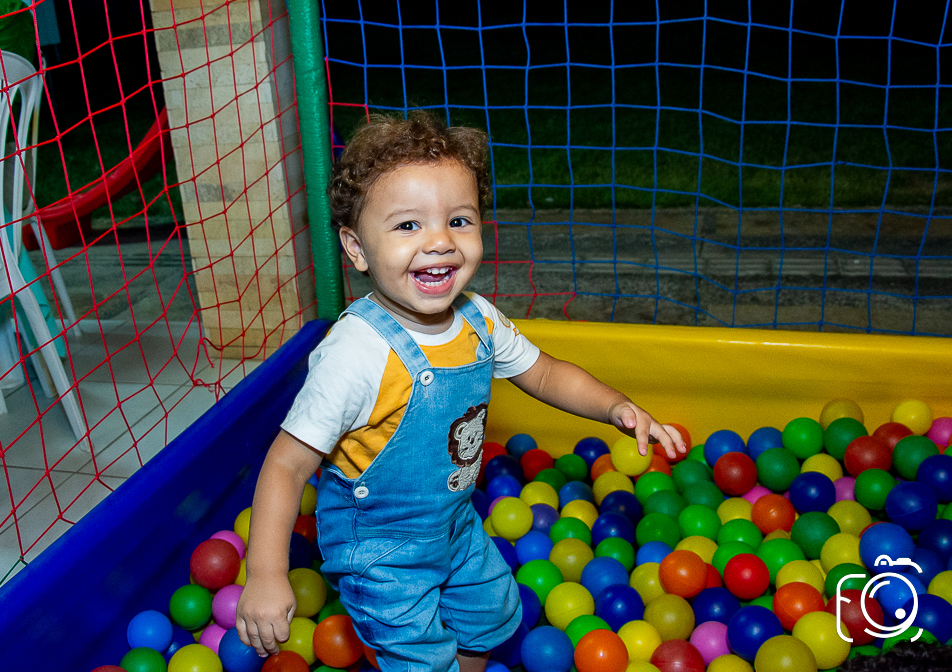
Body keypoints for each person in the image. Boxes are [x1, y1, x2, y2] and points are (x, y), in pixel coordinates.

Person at [235, 110, 687, 671]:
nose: (440, 242)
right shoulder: (355, 353)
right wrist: (266, 574)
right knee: (419, 656)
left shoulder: (478, 319)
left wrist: (614, 405)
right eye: (408, 226)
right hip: (379, 549)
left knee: (490, 613)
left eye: (459, 220)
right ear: (356, 248)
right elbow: (286, 465)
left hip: (453, 522)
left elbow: (545, 374)